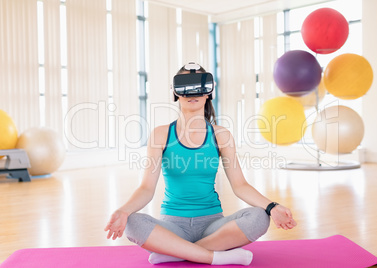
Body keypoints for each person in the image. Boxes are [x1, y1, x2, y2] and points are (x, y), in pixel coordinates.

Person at [104, 63, 297, 266]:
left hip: (213, 225)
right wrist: (124, 211)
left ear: (209, 93)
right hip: (173, 225)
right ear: (175, 93)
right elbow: (146, 188)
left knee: (259, 216)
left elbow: (240, 185)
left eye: (200, 86)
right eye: (186, 86)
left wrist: (271, 206)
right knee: (132, 223)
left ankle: (175, 251)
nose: (192, 92)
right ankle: (212, 256)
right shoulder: (161, 135)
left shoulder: (221, 135)